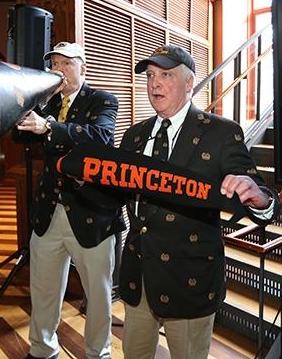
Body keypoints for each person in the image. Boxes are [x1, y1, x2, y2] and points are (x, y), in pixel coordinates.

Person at [116, 45, 279, 359]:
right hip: (139, 277)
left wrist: (257, 196)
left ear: (189, 83)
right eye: (150, 75)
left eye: (166, 75)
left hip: (189, 280)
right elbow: (120, 195)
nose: (154, 84)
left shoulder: (220, 133)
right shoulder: (133, 136)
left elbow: (262, 199)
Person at [15, 41, 124, 359]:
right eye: (54, 64)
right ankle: (42, 349)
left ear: (83, 68)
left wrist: (49, 126)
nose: (58, 69)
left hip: (91, 213)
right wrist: (29, 104)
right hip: (49, 212)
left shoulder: (102, 100)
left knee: (98, 293)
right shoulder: (47, 103)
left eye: (66, 63)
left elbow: (101, 136)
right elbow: (18, 135)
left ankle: (97, 352)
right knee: (44, 290)